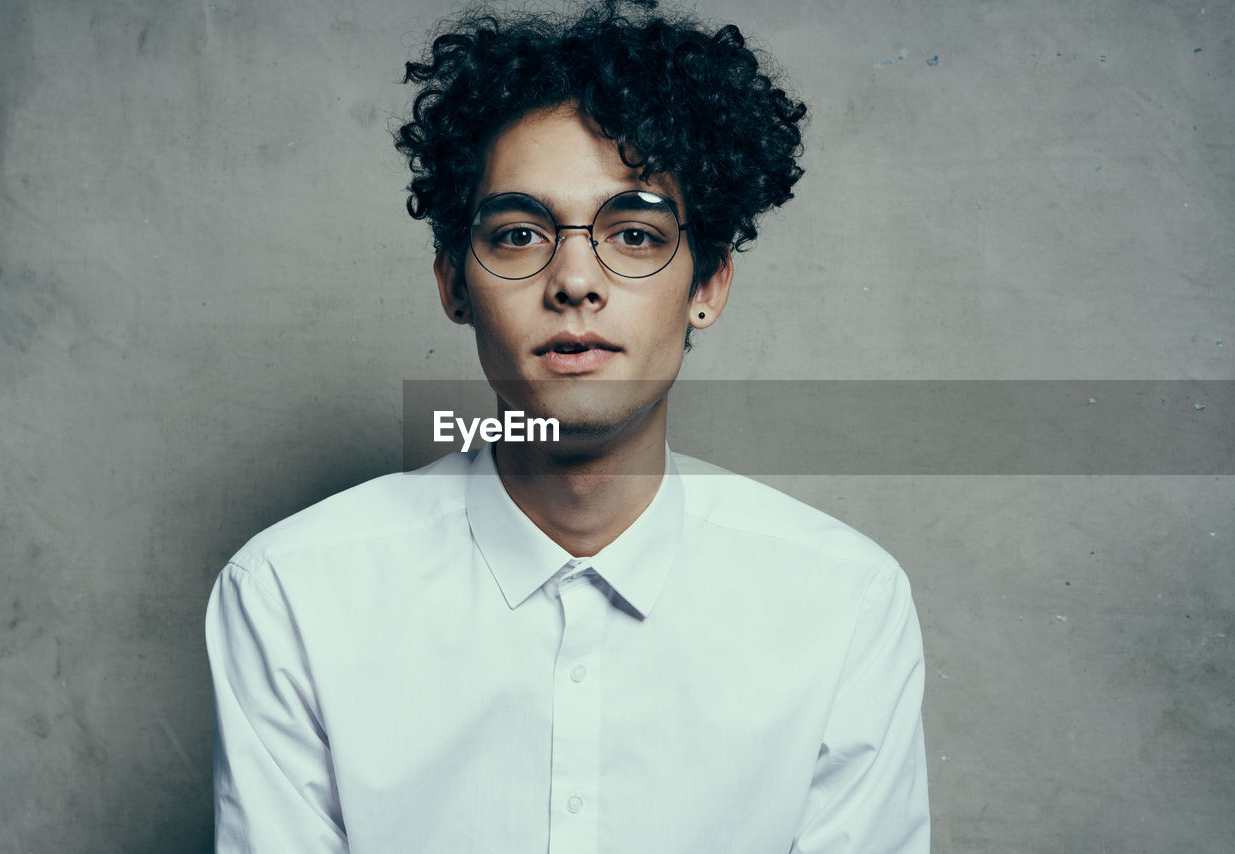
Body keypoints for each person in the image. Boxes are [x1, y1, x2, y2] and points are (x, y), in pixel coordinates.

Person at [205, 1, 930, 851]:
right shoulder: (292, 594)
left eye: (633, 233)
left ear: (709, 285)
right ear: (452, 283)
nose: (575, 280)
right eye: (518, 234)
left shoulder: (843, 602)